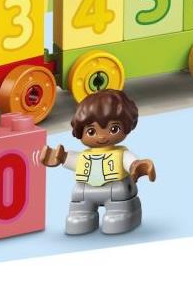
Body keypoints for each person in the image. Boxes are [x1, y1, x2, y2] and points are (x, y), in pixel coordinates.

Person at [41, 89, 155, 235]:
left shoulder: (121, 154)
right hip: (85, 192)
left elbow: (131, 162)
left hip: (115, 191)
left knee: (118, 209)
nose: (102, 137)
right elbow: (73, 160)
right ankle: (81, 214)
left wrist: (136, 166)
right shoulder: (84, 156)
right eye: (91, 131)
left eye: (113, 129)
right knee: (78, 203)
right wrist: (60, 157)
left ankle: (121, 213)